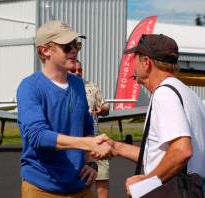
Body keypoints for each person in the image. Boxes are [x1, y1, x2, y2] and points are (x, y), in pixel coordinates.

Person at [16, 20, 112, 198]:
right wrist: (87, 144)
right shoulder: (29, 87)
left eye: (76, 44)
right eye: (67, 46)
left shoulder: (77, 84)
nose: (74, 50)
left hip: (80, 186)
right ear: (45, 50)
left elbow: (86, 126)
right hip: (42, 189)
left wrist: (90, 162)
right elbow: (37, 135)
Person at [108, 34, 205, 196]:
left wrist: (146, 182)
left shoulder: (164, 95)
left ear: (146, 62)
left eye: (135, 57)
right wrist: (115, 146)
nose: (133, 63)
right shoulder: (187, 93)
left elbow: (182, 151)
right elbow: (160, 155)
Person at [70, 60, 110, 198]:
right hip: (73, 143)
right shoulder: (64, 89)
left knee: (102, 177)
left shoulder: (91, 87)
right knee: (79, 183)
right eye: (74, 70)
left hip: (95, 140)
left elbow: (105, 108)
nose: (77, 73)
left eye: (80, 70)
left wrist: (102, 110)